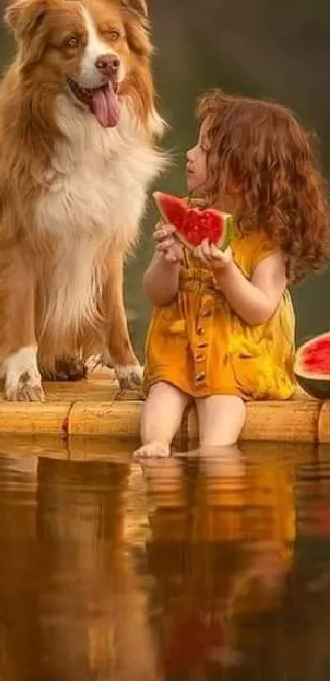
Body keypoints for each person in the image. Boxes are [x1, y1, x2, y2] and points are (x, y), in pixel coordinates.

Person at [134, 90, 330, 459]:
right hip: (181, 352)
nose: (190, 154)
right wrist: (168, 262)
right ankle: (155, 444)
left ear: (240, 175)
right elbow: (157, 294)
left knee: (224, 400)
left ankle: (215, 451)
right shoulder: (185, 216)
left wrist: (226, 272)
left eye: (205, 149)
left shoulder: (267, 241)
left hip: (237, 361)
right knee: (163, 391)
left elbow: (259, 309)